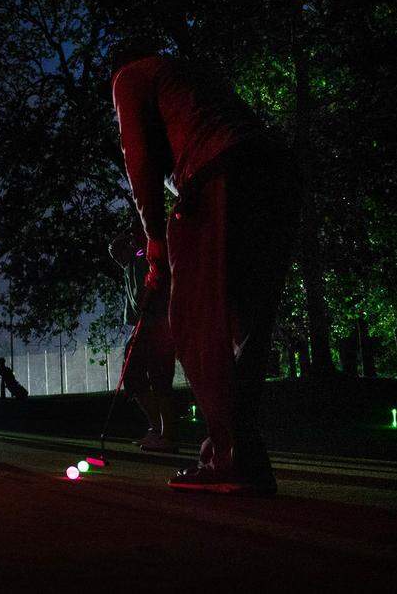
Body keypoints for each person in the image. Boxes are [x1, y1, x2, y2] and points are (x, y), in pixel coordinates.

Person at [112, 44, 300, 495]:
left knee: (196, 324)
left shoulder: (130, 77)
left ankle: (228, 458)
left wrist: (155, 239)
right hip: (279, 174)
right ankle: (243, 456)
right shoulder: (193, 74)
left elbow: (137, 159)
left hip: (218, 173)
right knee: (245, 325)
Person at [109, 217, 176, 453]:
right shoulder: (128, 265)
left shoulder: (141, 257)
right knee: (136, 378)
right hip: (144, 325)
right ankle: (158, 428)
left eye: (118, 252)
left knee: (159, 379)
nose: (117, 258)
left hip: (156, 324)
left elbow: (154, 279)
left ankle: (165, 434)